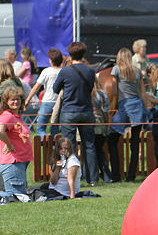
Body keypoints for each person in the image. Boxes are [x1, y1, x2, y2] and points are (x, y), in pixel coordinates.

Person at [52, 42, 98, 186]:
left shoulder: (65, 71)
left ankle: (69, 177)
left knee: (68, 146)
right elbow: (91, 87)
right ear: (83, 54)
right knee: (89, 146)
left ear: (70, 54)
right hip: (86, 111)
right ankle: (93, 179)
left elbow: (55, 89)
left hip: (69, 111)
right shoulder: (90, 71)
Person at [108, 47, 152, 182]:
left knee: (112, 140)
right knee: (135, 143)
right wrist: (148, 107)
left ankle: (116, 175)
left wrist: (111, 108)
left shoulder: (116, 69)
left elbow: (114, 91)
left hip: (123, 106)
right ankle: (131, 176)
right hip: (137, 106)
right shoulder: (137, 71)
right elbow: (142, 92)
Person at [0, 86, 33, 202]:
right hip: (13, 162)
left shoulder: (16, 117)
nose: (16, 102)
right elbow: (0, 131)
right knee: (15, 198)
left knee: (18, 196)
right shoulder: (7, 115)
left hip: (20, 161)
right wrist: (9, 145)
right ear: (6, 101)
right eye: (12, 99)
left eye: (18, 99)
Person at [25, 48, 63, 137]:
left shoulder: (46, 71)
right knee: (55, 128)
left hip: (47, 102)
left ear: (51, 60)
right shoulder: (63, 71)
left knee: (40, 127)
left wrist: (28, 99)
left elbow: (36, 87)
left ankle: (46, 144)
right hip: (60, 102)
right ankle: (55, 146)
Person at [92, 77, 113, 183]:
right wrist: (106, 125)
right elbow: (106, 111)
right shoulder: (101, 94)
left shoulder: (86, 93)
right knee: (100, 151)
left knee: (90, 152)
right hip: (100, 125)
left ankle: (92, 177)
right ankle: (107, 176)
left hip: (88, 126)